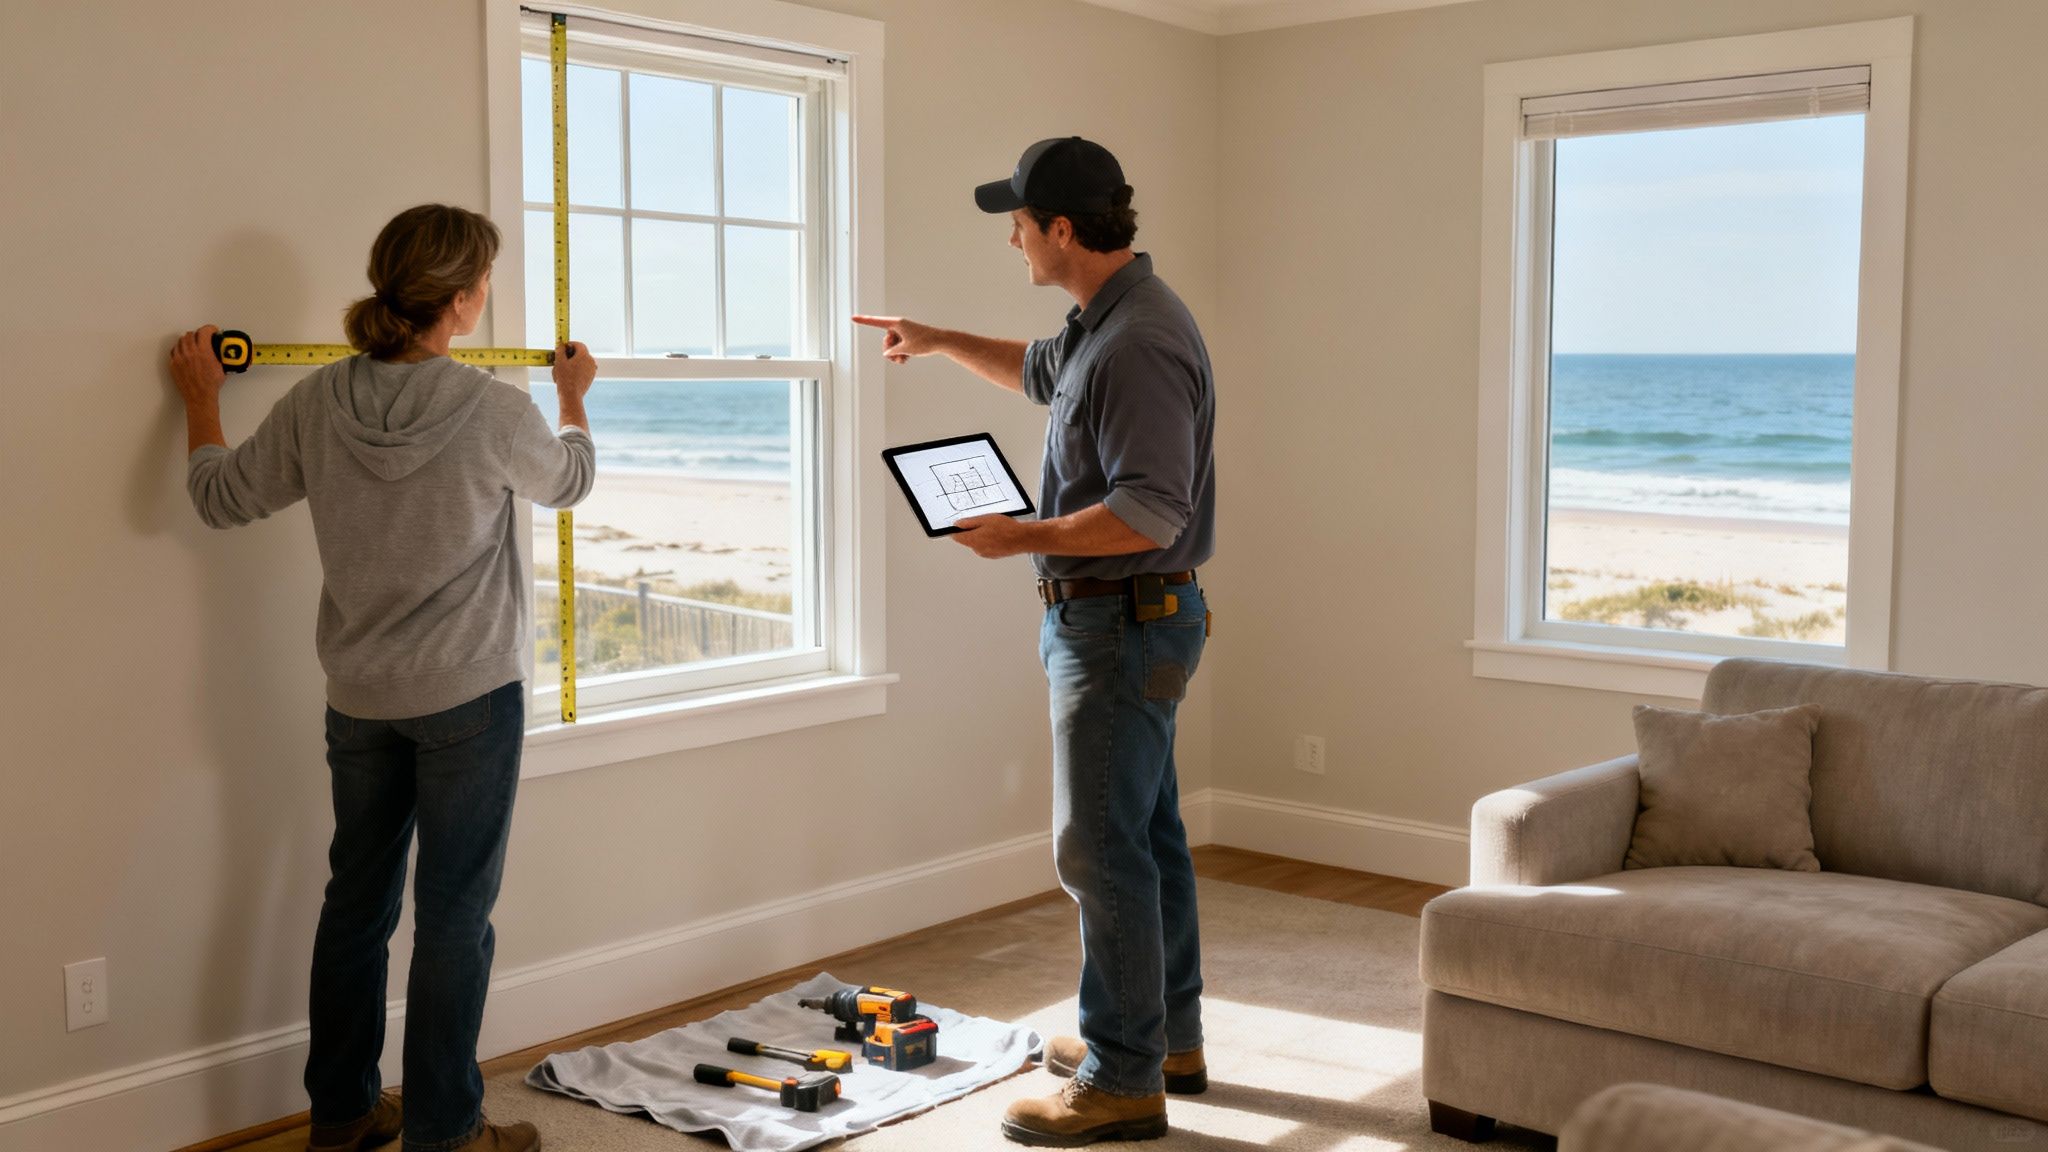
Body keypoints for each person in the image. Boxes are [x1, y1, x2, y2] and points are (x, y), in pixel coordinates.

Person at [168, 203, 596, 1152]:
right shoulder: (495, 409)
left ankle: (344, 1117)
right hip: (470, 699)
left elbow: (219, 498)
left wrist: (201, 400)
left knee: (356, 907)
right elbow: (569, 483)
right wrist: (574, 400)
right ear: (462, 299)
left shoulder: (318, 401)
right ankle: (446, 1134)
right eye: (485, 280)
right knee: (454, 919)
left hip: (360, 700)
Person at [855, 137, 1217, 1147]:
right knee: (1144, 837)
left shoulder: (1139, 341)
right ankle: (1163, 1040)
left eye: (1017, 223)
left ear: (1061, 228)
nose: (1009, 238)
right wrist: (936, 339)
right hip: (1123, 620)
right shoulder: (1106, 321)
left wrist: (1020, 535)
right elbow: (1035, 370)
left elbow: (1148, 510)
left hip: (1119, 621)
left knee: (1098, 849)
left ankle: (1121, 1077)